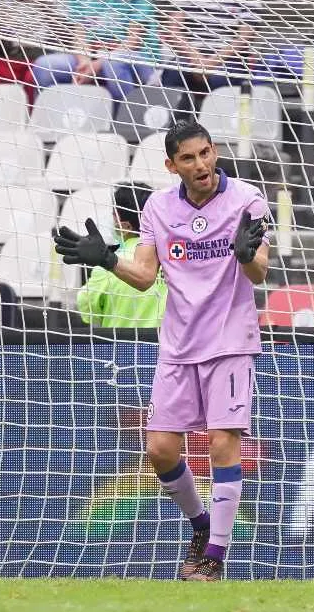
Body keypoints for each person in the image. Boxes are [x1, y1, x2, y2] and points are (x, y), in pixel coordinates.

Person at [53, 120, 269, 581]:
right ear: (172, 166)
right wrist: (107, 259)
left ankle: (214, 557)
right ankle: (202, 525)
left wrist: (247, 254)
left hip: (230, 341)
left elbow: (260, 273)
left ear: (214, 152)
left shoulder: (246, 198)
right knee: (160, 449)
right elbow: (145, 276)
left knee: (222, 442)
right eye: (189, 158)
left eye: (206, 153)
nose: (201, 164)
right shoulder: (158, 208)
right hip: (178, 344)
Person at [32, 0, 159, 102]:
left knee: (113, 64)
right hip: (91, 56)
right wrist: (85, 62)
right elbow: (79, 34)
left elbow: (134, 40)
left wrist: (96, 66)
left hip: (134, 56)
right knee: (45, 65)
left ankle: (125, 114)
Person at [159, 0, 261, 104]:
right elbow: (173, 30)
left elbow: (244, 38)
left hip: (227, 60)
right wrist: (196, 59)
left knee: (220, 79)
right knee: (173, 73)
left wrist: (211, 63)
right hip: (190, 56)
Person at [76, 183, 167, 327]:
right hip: (169, 341)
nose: (111, 219)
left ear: (126, 226)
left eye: (113, 214)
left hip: (120, 341)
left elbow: (88, 311)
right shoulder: (175, 259)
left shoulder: (106, 266)